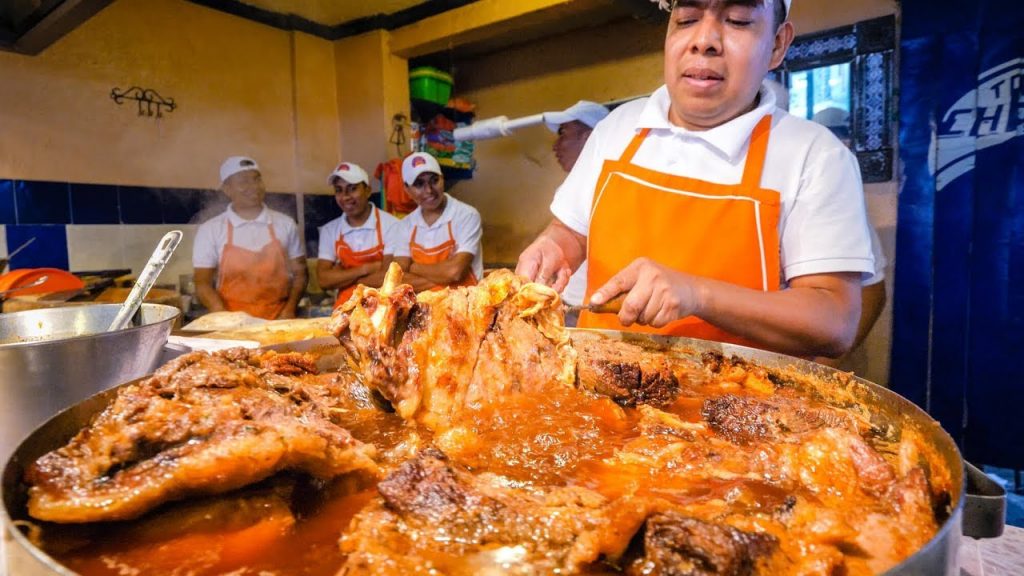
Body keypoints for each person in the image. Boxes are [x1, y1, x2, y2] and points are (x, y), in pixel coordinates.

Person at [516, 0, 877, 359]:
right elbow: (569, 233)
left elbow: (834, 322)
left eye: (737, 20)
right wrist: (552, 248)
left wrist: (695, 294)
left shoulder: (814, 156)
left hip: (738, 404)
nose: (704, 40)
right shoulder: (618, 128)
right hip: (597, 395)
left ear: (778, 44)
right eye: (687, 19)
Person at [193, 156, 307, 320]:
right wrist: (221, 315)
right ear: (227, 189)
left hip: (279, 319)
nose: (253, 186)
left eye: (256, 179)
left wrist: (289, 310)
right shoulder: (210, 229)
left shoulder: (285, 224)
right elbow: (202, 284)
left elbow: (300, 273)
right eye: (243, 181)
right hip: (231, 321)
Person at [542, 100, 611, 320]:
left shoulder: (611, 188)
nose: (556, 145)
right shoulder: (569, 188)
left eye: (563, 133)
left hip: (593, 310)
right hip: (565, 303)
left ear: (590, 137)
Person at [390, 152, 483, 291]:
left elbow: (454, 272)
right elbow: (398, 279)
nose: (429, 190)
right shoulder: (404, 226)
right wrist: (444, 277)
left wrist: (412, 267)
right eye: (419, 184)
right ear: (407, 189)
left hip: (464, 304)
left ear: (442, 179)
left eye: (434, 180)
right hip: (423, 306)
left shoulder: (466, 216)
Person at [316, 161, 400, 308]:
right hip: (346, 305)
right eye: (339, 190)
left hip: (384, 304)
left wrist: (345, 277)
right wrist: (366, 269)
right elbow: (324, 280)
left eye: (352, 188)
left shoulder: (392, 225)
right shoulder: (330, 231)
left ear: (367, 190)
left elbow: (388, 277)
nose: (345, 197)